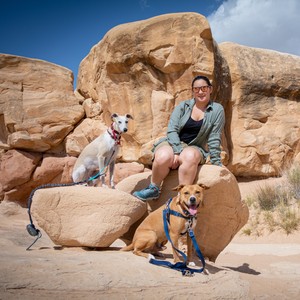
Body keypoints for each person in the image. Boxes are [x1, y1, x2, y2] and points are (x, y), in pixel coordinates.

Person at [133, 75, 225, 201]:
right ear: (192, 91)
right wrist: (177, 150)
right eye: (196, 89)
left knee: (190, 156)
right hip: (172, 143)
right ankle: (153, 188)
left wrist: (216, 163)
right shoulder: (183, 106)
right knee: (163, 156)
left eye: (204, 88)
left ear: (210, 89)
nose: (200, 92)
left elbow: (214, 137)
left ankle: (182, 196)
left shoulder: (217, 110)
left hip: (195, 147)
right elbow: (172, 130)